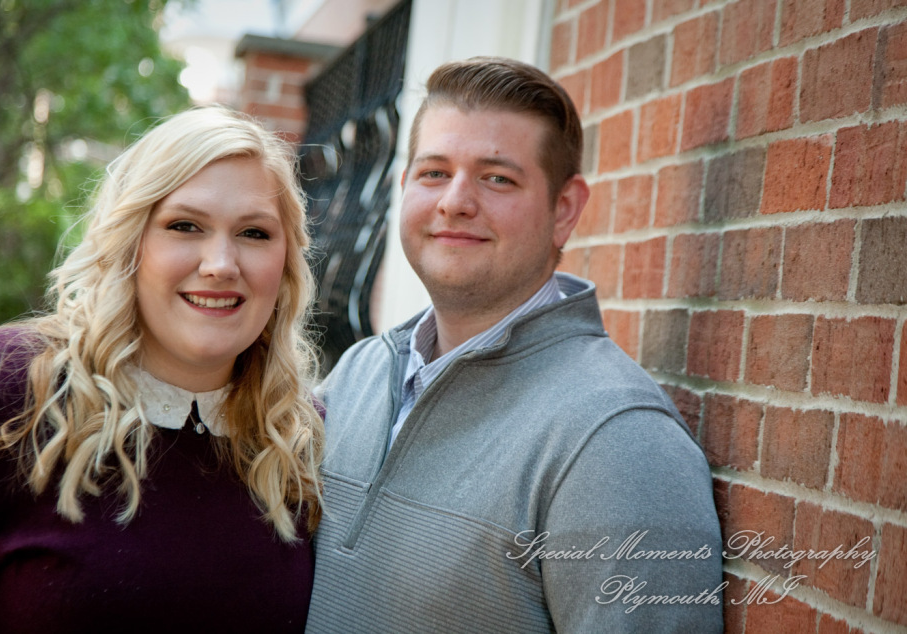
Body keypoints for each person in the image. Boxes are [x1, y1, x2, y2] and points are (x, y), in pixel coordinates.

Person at [306, 57, 723, 632]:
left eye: (497, 177)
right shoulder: (356, 376)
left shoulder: (617, 439)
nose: (455, 201)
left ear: (564, 210)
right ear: (403, 186)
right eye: (433, 172)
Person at [0, 106, 323, 632]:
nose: (221, 264)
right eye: (184, 226)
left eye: (254, 233)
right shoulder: (7, 388)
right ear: (130, 243)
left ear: (286, 263)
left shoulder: (304, 441)